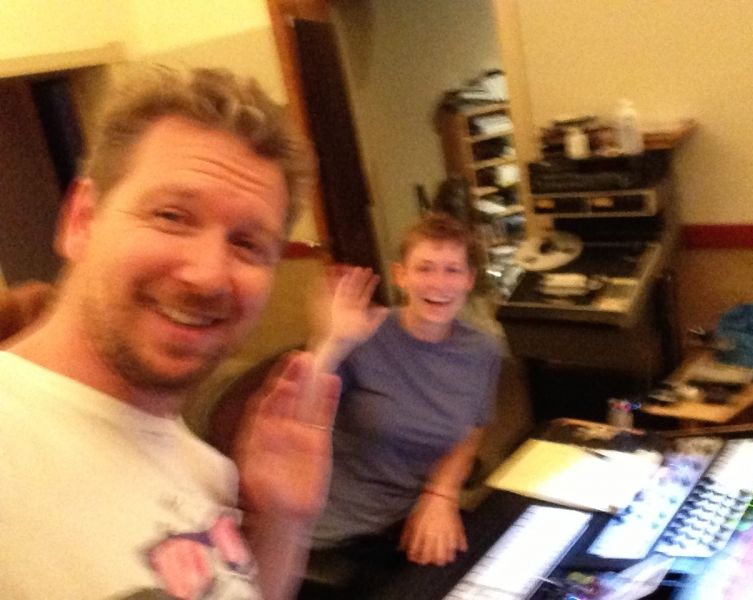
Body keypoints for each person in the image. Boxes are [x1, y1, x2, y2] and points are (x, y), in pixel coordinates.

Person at [0, 66, 340, 600]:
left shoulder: (205, 467)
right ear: (82, 220)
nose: (208, 276)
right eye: (172, 216)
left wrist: (284, 520)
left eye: (248, 244)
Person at [309, 213, 502, 567]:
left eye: (452, 270)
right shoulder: (364, 334)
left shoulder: (483, 350)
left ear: (469, 280)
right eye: (424, 268)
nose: (438, 284)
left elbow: (473, 427)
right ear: (401, 276)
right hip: (328, 530)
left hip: (406, 516)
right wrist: (335, 342)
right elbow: (297, 410)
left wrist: (441, 494)